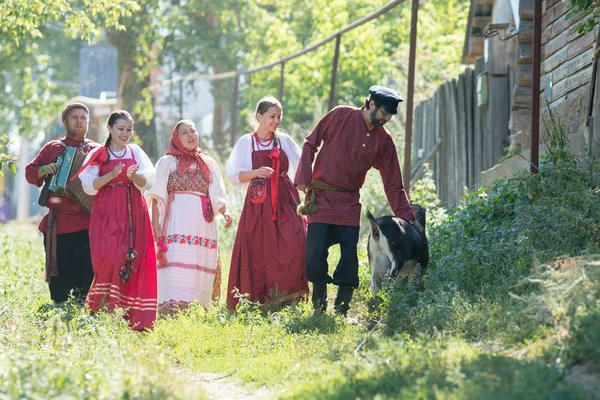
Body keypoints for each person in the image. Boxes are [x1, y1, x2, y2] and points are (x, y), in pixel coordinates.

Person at [294, 85, 421, 316]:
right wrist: (303, 176)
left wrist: (408, 220)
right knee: (314, 252)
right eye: (384, 112)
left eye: (391, 116)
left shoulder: (384, 141)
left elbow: (393, 183)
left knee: (349, 257)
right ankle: (319, 305)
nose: (386, 119)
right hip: (321, 197)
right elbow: (310, 142)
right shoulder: (340, 115)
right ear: (370, 104)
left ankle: (342, 308)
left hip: (349, 203)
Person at [75, 110, 157, 330]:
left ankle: (131, 316)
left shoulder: (136, 151)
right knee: (110, 257)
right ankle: (104, 311)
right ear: (109, 129)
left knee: (132, 258)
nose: (125, 133)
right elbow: (89, 186)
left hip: (133, 211)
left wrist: (134, 176)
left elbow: (148, 182)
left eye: (129, 129)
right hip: (107, 210)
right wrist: (111, 175)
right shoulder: (99, 154)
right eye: (121, 129)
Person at [226, 96, 309, 310]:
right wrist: (256, 172)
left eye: (279, 116)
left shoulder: (284, 141)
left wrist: (307, 190)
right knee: (258, 247)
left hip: (285, 199)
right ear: (259, 116)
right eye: (272, 116)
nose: (276, 121)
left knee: (295, 241)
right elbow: (234, 176)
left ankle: (287, 296)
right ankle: (258, 299)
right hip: (258, 202)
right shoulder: (247, 142)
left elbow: (302, 167)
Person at [145, 120, 233, 313]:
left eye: (193, 131)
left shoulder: (208, 163)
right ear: (177, 138)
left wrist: (225, 212)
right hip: (175, 220)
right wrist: (154, 222)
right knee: (175, 256)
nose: (190, 135)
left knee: (199, 258)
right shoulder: (167, 162)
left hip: (202, 222)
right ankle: (170, 304)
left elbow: (217, 193)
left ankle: (197, 305)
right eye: (184, 132)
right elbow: (157, 195)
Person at [25, 103, 99, 303]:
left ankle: (77, 315)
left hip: (87, 224)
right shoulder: (53, 147)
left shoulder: (96, 150)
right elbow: (30, 172)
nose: (79, 121)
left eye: (83, 117)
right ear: (64, 121)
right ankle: (58, 313)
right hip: (58, 226)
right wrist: (44, 169)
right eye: (74, 117)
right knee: (58, 281)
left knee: (84, 278)